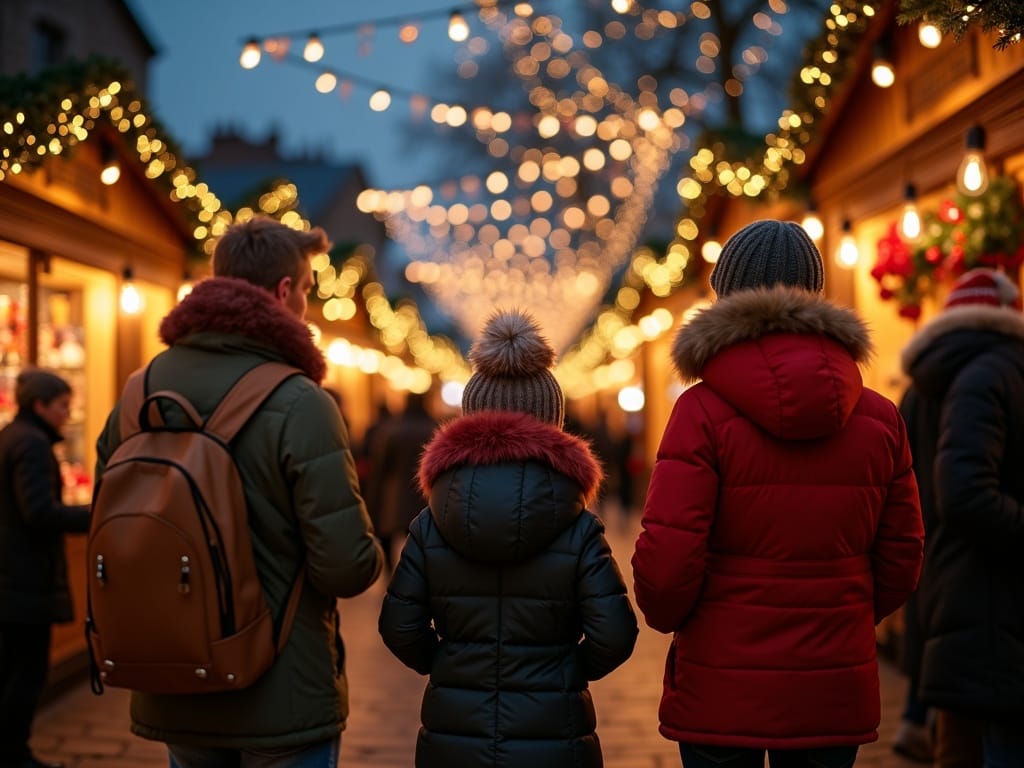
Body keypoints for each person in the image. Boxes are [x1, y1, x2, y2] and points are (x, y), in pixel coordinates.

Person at [632, 219, 924, 768]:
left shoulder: (700, 412)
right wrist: (846, 611)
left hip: (721, 684)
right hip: (833, 684)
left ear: (725, 298)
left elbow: (668, 563)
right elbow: (903, 555)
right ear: (813, 294)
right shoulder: (880, 418)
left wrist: (675, 617)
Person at [94, 216, 383, 768]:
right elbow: (346, 567)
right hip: (281, 687)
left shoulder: (139, 390)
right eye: (305, 289)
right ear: (282, 292)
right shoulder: (301, 401)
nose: (305, 301)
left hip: (175, 672)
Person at [379, 308, 638, 767]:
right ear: (553, 423)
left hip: (454, 738)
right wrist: (563, 671)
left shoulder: (430, 522)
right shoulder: (579, 527)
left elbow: (399, 626)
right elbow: (614, 633)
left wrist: (448, 664)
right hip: (555, 738)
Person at [900, 268, 1024, 768]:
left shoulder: (919, 386)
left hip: (940, 580)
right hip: (997, 592)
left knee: (960, 742)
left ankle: (913, 721)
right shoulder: (998, 371)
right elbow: (967, 492)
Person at [0, 370, 90, 768]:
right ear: (39, 405)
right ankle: (14, 754)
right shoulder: (33, 444)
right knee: (27, 671)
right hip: (24, 580)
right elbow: (37, 511)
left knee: (10, 671)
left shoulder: (12, 437)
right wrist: (94, 514)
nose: (66, 415)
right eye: (61, 406)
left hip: (11, 577)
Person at [363, 391, 437, 570]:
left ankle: (391, 573)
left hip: (396, 495)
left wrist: (373, 498)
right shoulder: (434, 429)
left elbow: (381, 468)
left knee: (391, 537)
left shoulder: (392, 431)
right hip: (426, 495)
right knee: (424, 541)